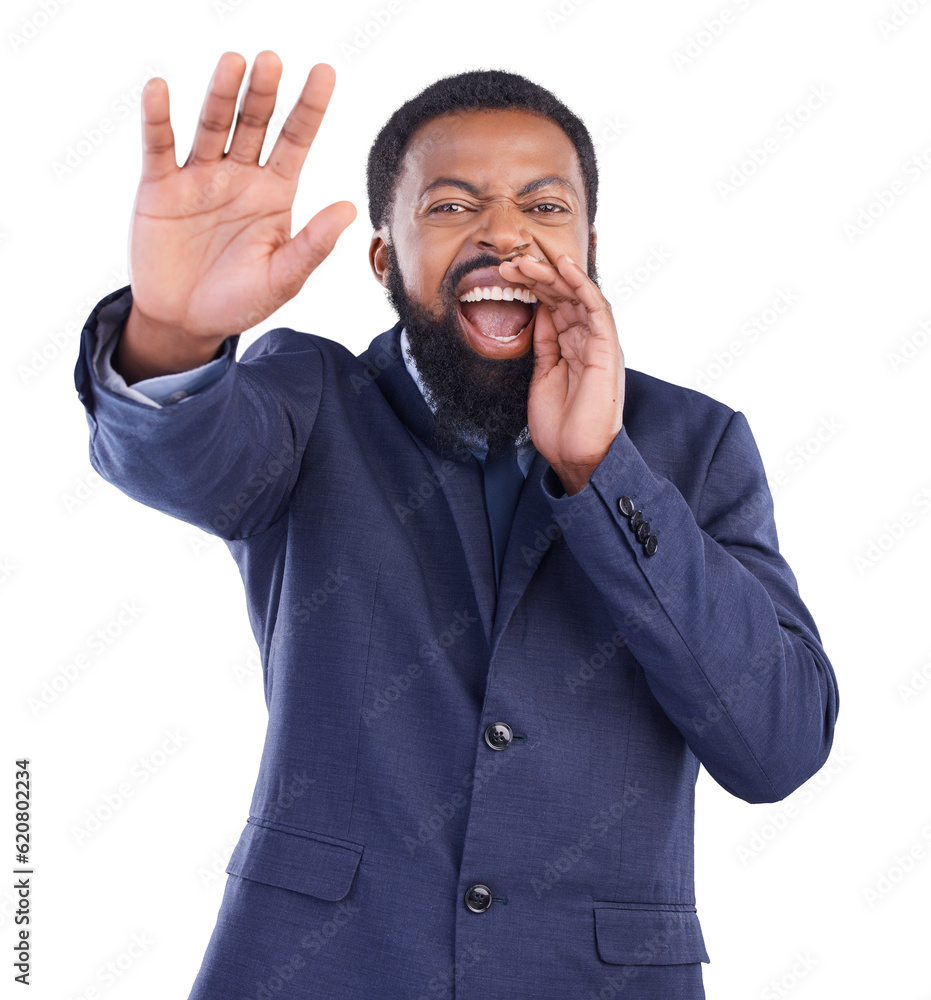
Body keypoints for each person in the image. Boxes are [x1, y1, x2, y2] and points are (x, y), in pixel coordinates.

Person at [74, 51, 839, 1000]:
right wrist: (173, 333)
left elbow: (777, 745)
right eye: (450, 206)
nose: (503, 237)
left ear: (591, 245)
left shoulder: (694, 444)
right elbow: (176, 453)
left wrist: (600, 470)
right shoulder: (312, 402)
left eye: (544, 207)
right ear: (384, 256)